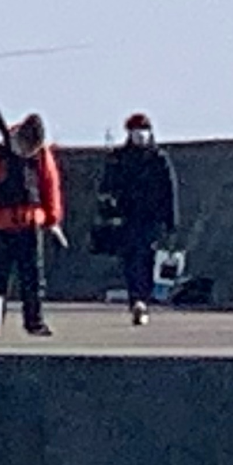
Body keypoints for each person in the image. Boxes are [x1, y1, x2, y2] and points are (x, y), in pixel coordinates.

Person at [0, 112, 64, 335]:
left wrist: (52, 220)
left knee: (33, 277)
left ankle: (34, 322)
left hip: (30, 223)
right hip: (0, 224)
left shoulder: (41, 155)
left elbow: (50, 187)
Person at [99, 112, 178, 326]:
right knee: (131, 259)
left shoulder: (159, 158)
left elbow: (169, 191)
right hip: (127, 217)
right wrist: (108, 213)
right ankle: (137, 299)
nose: (140, 135)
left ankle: (143, 298)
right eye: (135, 130)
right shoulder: (119, 158)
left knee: (148, 258)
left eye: (144, 130)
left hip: (151, 218)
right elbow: (107, 188)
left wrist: (171, 222)